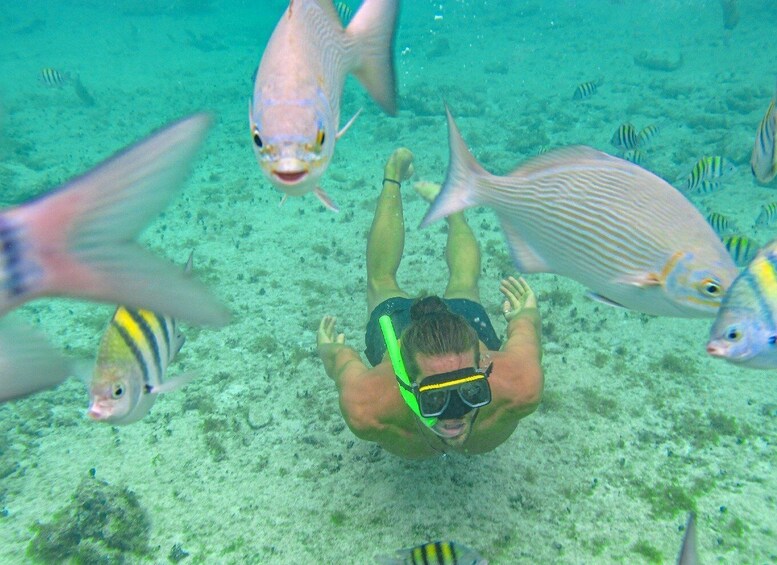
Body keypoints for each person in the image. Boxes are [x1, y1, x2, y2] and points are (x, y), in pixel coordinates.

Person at [316, 148, 543, 459]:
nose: (454, 417)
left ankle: (454, 212)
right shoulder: (367, 407)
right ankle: (392, 176)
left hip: (453, 333)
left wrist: (525, 316)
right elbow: (342, 367)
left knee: (461, 281)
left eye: (470, 392)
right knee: (385, 281)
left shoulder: (521, 387)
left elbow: (527, 331)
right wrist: (334, 355)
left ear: (483, 367)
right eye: (435, 399)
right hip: (403, 340)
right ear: (406, 382)